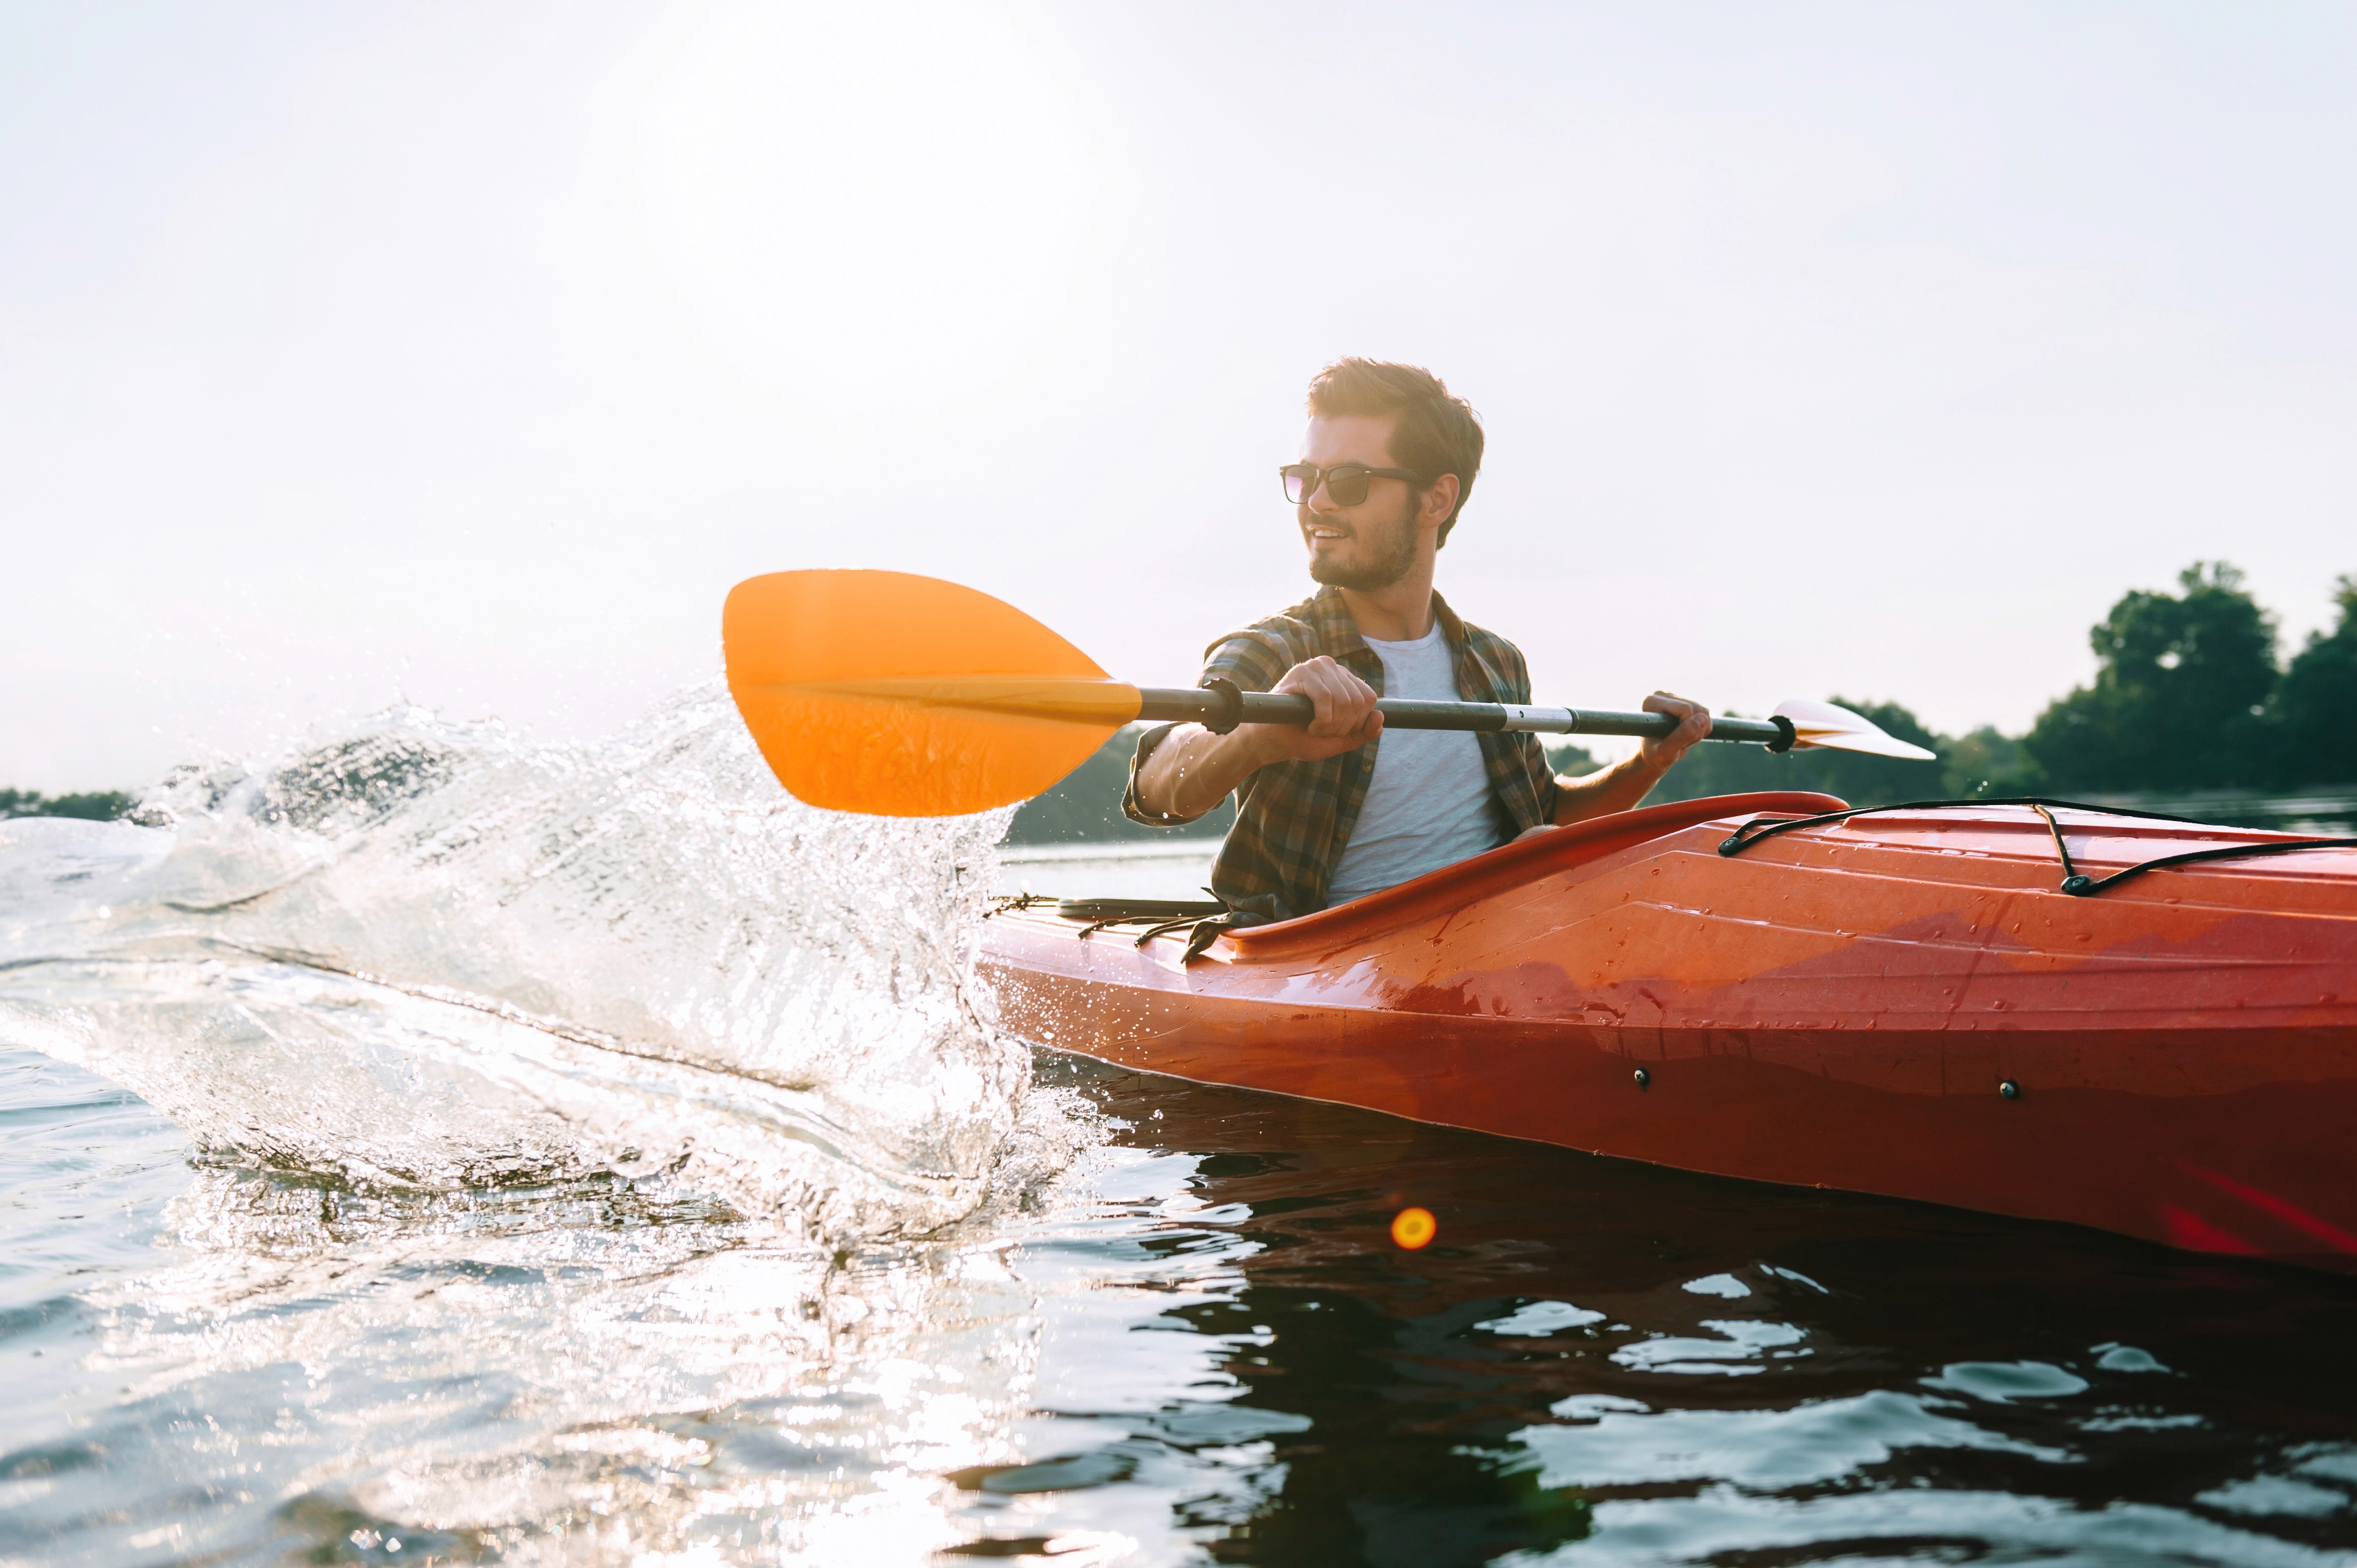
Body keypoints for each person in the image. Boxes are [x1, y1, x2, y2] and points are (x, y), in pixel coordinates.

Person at [1124, 358, 1712, 921]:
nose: (1317, 500)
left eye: (1348, 481)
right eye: (1306, 477)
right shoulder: (1274, 650)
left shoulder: (1496, 663)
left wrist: (1646, 761)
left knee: (1543, 839)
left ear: (1436, 499)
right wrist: (1250, 738)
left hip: (1503, 952)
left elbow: (1550, 811)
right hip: (1327, 972)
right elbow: (1154, 787)